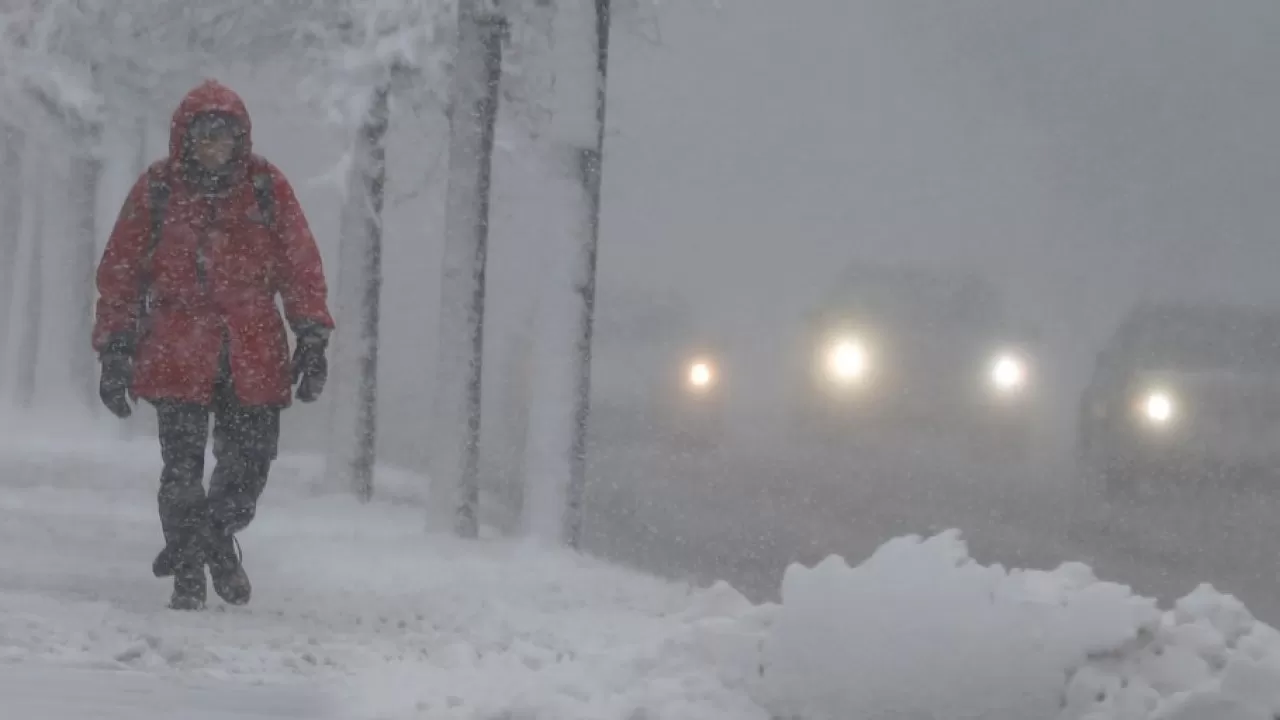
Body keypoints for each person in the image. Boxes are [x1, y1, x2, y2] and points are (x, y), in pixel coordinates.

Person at [92, 79, 334, 610]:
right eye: (205, 136)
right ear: (187, 138)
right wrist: (115, 348)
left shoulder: (266, 188)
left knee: (250, 465)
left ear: (239, 139)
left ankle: (208, 537)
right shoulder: (158, 189)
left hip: (254, 349)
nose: (214, 147)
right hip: (177, 349)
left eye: (224, 137)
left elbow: (300, 265)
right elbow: (121, 273)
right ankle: (189, 576)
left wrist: (312, 335)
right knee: (180, 469)